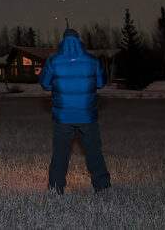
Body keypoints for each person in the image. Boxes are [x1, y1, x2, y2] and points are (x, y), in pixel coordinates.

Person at [37, 28, 111, 194]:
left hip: (63, 116)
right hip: (87, 115)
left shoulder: (53, 61)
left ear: (63, 41)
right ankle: (103, 186)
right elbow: (101, 82)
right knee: (94, 152)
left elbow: (45, 83)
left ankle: (56, 188)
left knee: (60, 153)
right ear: (79, 40)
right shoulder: (92, 60)